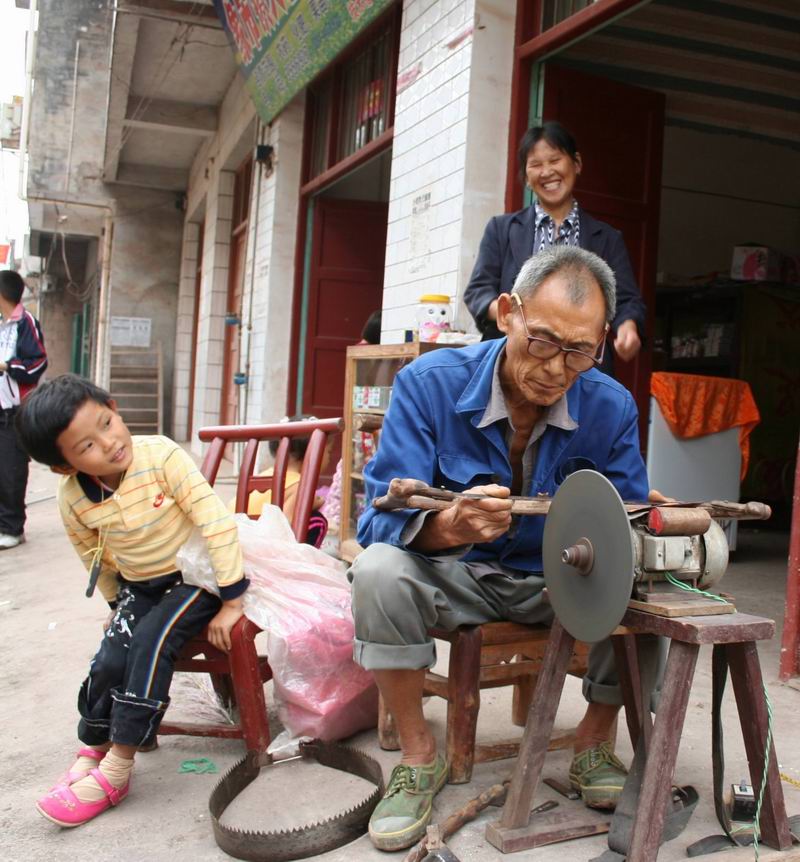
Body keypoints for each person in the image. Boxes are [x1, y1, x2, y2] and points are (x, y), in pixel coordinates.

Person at [350, 246, 663, 851]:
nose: (556, 368)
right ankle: (419, 757)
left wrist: (644, 522)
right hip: (457, 575)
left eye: (580, 352)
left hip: (557, 581)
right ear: (506, 313)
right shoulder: (428, 385)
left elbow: (628, 520)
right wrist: (449, 529)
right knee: (379, 571)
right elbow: (379, 519)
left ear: (599, 344)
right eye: (543, 341)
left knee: (654, 576)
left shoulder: (610, 405)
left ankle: (595, 743)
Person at [15, 374, 249, 828]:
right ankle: (95, 743)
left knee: (149, 641)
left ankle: (118, 766)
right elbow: (94, 557)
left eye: (106, 423)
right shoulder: (73, 499)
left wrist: (232, 599)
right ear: (65, 467)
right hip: (140, 586)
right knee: (109, 657)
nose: (108, 443)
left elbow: (215, 521)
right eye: (86, 446)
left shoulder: (159, 455)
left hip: (195, 577)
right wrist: (114, 609)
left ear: (114, 407)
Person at [463, 121, 645, 375]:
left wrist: (628, 327)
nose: (547, 171)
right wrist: (511, 313)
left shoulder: (606, 238)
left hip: (583, 366)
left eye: (555, 160)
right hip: (513, 363)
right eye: (535, 165)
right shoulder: (501, 229)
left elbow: (626, 299)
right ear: (526, 177)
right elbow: (478, 292)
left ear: (577, 163)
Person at [0, 270, 47, 550]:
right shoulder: (1, 324)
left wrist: (8, 366)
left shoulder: (25, 322)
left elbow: (38, 362)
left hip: (14, 411)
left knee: (11, 470)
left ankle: (12, 528)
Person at [234, 414, 331, 548]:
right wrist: (315, 501)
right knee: (317, 521)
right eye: (328, 452)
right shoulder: (299, 485)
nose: (329, 458)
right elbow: (285, 526)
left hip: (236, 536)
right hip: (261, 546)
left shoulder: (264, 475)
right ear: (313, 452)